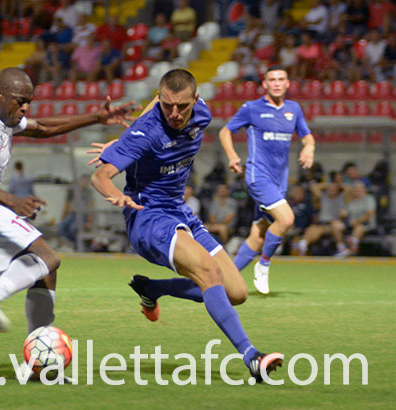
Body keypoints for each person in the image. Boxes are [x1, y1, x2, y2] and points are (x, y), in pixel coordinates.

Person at [89, 69, 282, 383]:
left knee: (237, 292)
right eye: (167, 105)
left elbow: (165, 104)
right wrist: (117, 195)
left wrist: (124, 138)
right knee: (208, 271)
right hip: (148, 217)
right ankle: (252, 357)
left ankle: (154, 288)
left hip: (179, 212)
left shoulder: (202, 114)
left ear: (196, 100)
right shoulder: (146, 133)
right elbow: (99, 176)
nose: (174, 113)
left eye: (181, 106)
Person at [0, 67, 137, 334]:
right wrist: (12, 202)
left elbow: (42, 129)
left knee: (44, 270)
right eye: (20, 100)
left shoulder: (3, 121)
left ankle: (39, 360)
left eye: (29, 101)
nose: (26, 107)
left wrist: (96, 117)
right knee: (47, 256)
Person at [217, 64, 315, 295]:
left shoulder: (294, 109)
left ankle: (218, 281)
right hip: (257, 176)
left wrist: (308, 148)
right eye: (272, 79)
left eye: (281, 79)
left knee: (258, 235)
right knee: (287, 219)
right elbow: (225, 131)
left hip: (279, 182)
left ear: (288, 83)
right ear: (265, 84)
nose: (277, 83)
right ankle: (264, 264)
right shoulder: (252, 108)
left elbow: (307, 135)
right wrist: (232, 156)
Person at [57, 175, 93, 250]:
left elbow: (90, 206)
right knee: (60, 228)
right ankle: (74, 242)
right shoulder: (72, 190)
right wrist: (63, 217)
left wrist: (89, 221)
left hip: (83, 215)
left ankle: (78, 245)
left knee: (73, 228)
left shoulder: (88, 192)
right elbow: (67, 204)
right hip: (72, 214)